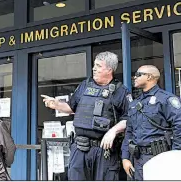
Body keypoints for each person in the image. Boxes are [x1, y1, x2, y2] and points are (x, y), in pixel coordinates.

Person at [41, 51, 132, 180]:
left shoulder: (120, 90)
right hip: (80, 148)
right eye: (94, 65)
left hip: (104, 151)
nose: (94, 69)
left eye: (99, 66)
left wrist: (113, 131)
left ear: (109, 69)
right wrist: (56, 104)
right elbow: (72, 107)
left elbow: (130, 118)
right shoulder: (85, 85)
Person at [121, 65, 181, 181]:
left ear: (149, 77)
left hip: (159, 157)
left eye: (138, 74)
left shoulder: (166, 99)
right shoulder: (134, 104)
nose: (134, 77)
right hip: (137, 159)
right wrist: (125, 157)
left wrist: (174, 155)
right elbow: (129, 132)